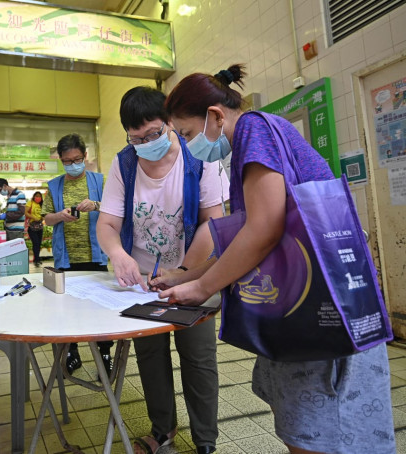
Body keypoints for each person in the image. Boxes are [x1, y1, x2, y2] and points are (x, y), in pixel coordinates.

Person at [156, 64, 396, 454]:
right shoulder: (255, 139)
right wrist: (184, 276)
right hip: (316, 307)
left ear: (215, 116)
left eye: (186, 133)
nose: (188, 144)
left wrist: (201, 287)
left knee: (322, 440)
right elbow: (249, 239)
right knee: (307, 435)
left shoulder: (253, 130)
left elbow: (264, 229)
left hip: (323, 314)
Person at [96, 86, 229, 454]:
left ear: (170, 123)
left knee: (198, 359)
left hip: (194, 277)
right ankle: (162, 431)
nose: (146, 143)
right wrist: (120, 256)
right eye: (136, 138)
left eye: (153, 134)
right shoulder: (124, 163)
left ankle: (206, 441)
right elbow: (107, 224)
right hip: (142, 282)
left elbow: (212, 223)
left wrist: (184, 272)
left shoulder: (199, 156)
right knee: (150, 357)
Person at [42, 133, 113, 377]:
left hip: (97, 256)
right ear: (61, 160)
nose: (73, 164)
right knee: (68, 309)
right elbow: (46, 218)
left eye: (77, 159)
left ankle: (105, 352)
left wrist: (96, 205)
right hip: (66, 258)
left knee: (100, 307)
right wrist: (60, 216)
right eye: (67, 161)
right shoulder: (54, 185)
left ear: (85, 156)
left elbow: (115, 211)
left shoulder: (100, 181)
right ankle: (72, 351)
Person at [25, 191, 44, 266]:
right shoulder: (30, 203)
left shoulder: (41, 204)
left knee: (39, 243)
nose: (38, 198)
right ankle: (36, 259)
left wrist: (43, 217)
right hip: (32, 226)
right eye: (36, 196)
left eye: (39, 196)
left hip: (40, 225)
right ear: (34, 196)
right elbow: (26, 212)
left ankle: (37, 258)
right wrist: (33, 217)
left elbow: (44, 213)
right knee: (35, 243)